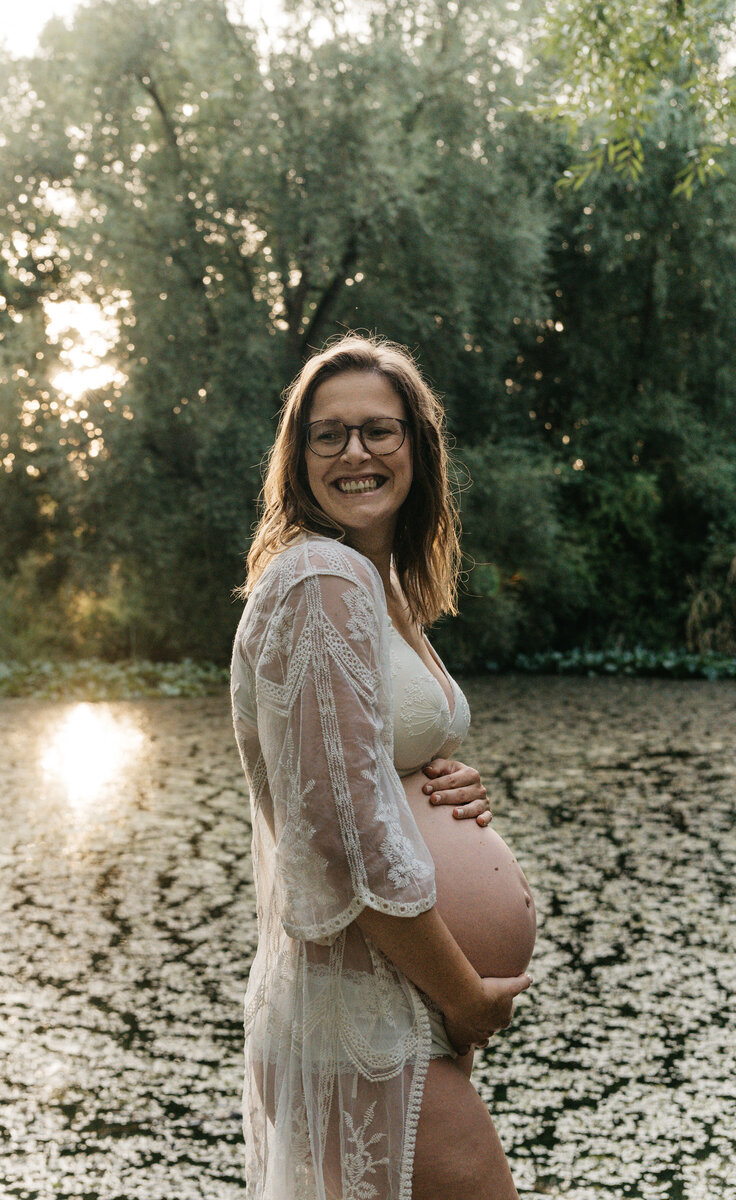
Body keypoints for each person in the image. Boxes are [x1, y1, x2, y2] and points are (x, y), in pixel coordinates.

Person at [231, 333, 535, 1200]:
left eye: (379, 431)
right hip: (366, 1014)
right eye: (328, 435)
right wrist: (465, 995)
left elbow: (362, 775)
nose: (354, 452)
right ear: (298, 458)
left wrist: (444, 782)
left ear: (418, 445)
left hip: (393, 1008)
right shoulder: (319, 577)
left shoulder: (379, 581)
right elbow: (337, 842)